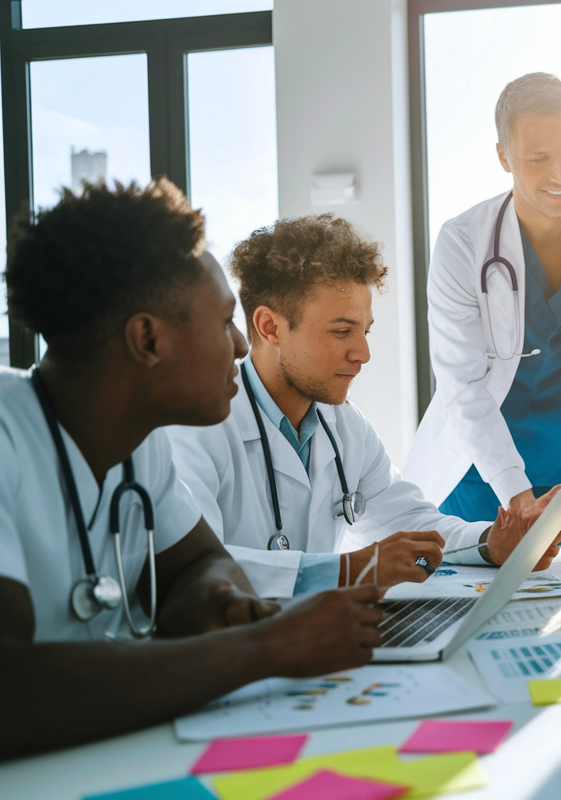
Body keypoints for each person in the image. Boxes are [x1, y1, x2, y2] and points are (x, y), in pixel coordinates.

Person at [0, 179, 382, 757]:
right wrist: (266, 646)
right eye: (225, 320)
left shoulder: (138, 444)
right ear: (147, 339)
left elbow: (198, 563)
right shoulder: (6, 436)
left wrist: (220, 601)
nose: (237, 345)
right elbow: (13, 687)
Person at [167, 215, 561, 600]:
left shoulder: (344, 425)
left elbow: (412, 523)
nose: (363, 353)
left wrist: (492, 544)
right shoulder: (195, 428)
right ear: (270, 327)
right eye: (342, 331)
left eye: (365, 331)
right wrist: (348, 570)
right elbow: (194, 567)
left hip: (317, 636)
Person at [403, 72, 561, 550]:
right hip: (478, 470)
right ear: (503, 157)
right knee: (468, 608)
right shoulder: (461, 243)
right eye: (538, 159)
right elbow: (463, 382)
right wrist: (516, 497)